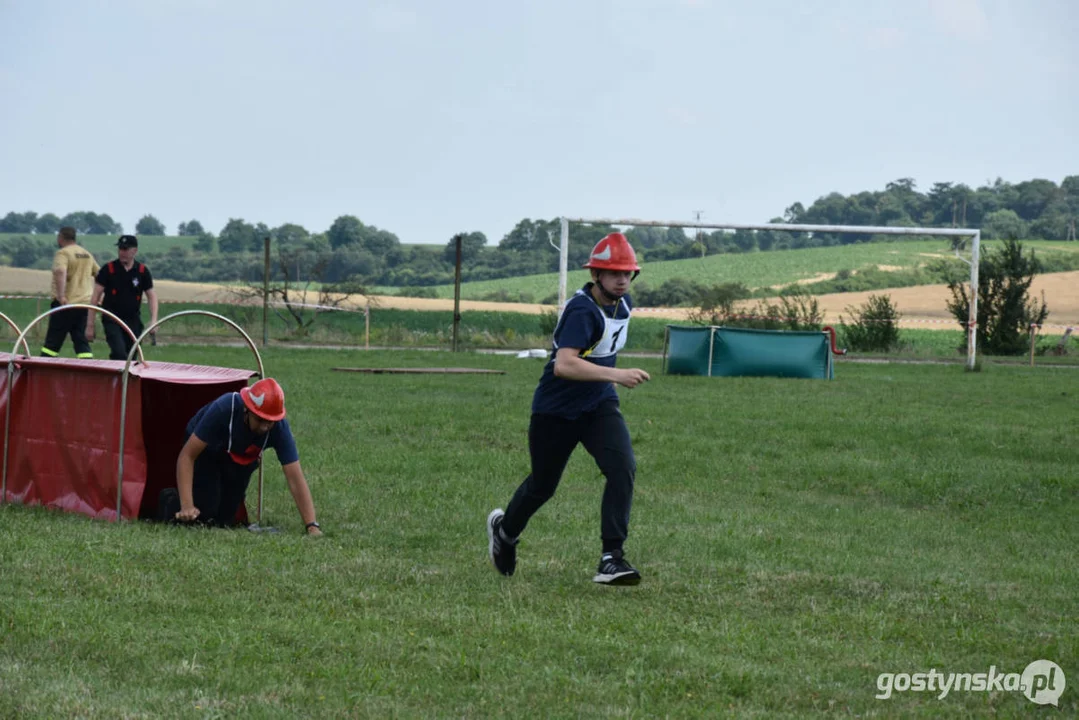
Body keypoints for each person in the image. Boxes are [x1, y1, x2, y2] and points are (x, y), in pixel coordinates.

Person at [487, 232, 650, 585]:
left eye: (627, 273)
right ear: (596, 275)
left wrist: (609, 382)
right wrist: (617, 375)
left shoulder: (624, 305)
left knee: (622, 468)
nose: (622, 280)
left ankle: (612, 558)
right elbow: (565, 365)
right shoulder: (580, 309)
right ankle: (505, 533)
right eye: (614, 273)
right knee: (543, 486)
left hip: (598, 404)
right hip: (556, 410)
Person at [157, 377, 323, 536]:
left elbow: (294, 476)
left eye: (270, 422)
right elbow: (187, 456)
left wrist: (312, 525)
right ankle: (170, 499)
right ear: (246, 409)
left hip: (239, 456)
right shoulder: (223, 409)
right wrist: (187, 505)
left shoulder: (279, 427)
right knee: (205, 513)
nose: (265, 427)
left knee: (225, 520)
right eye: (260, 420)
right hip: (206, 451)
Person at [85, 234, 159, 360]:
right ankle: (117, 374)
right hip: (112, 319)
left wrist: (154, 320)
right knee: (119, 353)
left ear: (134, 251)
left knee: (132, 356)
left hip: (133, 320)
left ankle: (122, 378)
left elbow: (152, 297)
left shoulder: (141, 271)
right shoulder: (108, 270)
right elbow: (95, 297)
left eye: (125, 249)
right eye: (120, 249)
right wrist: (90, 325)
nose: (122, 252)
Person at [41, 226, 99, 358]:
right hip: (84, 305)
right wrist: (99, 296)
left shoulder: (63, 253)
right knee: (81, 341)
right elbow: (100, 274)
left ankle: (44, 367)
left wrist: (61, 296)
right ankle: (88, 368)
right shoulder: (86, 254)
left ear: (60, 238)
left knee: (52, 343)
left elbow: (60, 271)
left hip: (66, 304)